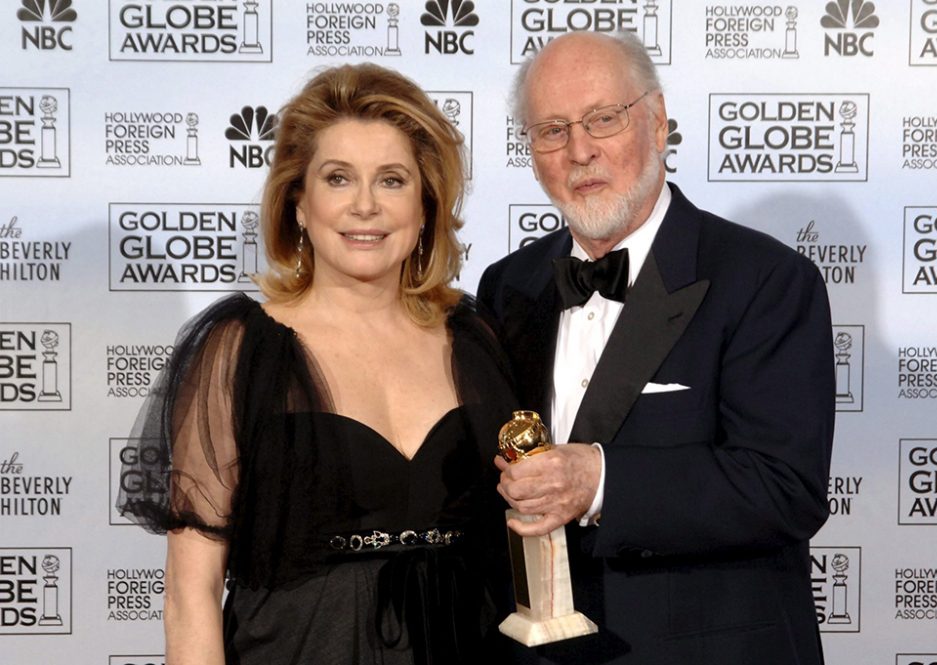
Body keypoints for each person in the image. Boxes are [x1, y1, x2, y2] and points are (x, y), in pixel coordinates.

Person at [119, 63, 516, 665]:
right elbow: (189, 593)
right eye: (338, 179)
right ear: (298, 204)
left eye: (391, 180)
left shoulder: (475, 336)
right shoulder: (241, 351)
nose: (365, 205)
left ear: (426, 205)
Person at [478, 31, 835, 664]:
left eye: (603, 119)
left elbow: (784, 487)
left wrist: (601, 480)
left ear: (659, 119)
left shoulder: (765, 280)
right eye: (551, 130)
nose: (580, 151)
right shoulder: (508, 285)